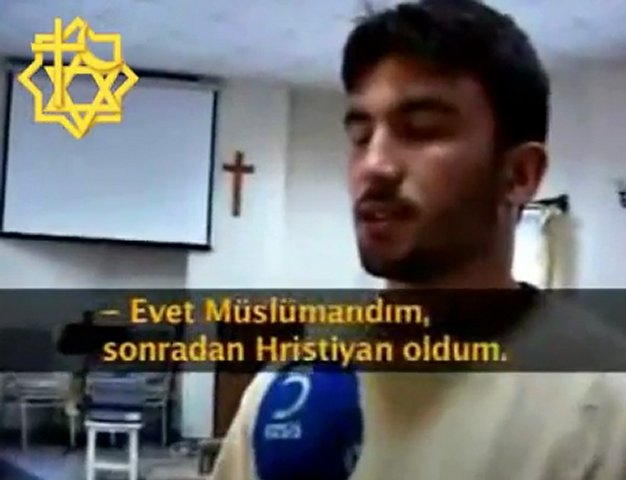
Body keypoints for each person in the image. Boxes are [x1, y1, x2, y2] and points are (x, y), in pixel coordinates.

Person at [210, 1, 626, 478]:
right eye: (360, 136)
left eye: (421, 130)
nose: (374, 165)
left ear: (519, 174)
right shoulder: (292, 388)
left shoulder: (605, 403)